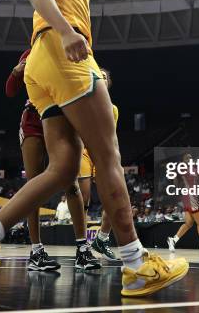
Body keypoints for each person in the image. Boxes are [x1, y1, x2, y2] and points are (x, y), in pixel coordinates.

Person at [0, 0, 188, 299]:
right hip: (62, 53)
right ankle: (135, 264)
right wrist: (66, 31)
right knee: (108, 156)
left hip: (42, 68)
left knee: (61, 170)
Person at [6, 50, 96, 271]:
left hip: (62, 116)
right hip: (34, 118)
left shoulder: (67, 44)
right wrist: (16, 72)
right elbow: (10, 90)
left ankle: (82, 250)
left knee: (71, 184)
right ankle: (36, 251)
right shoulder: (29, 52)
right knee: (34, 186)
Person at [78, 68, 118, 261]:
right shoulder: (80, 103)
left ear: (108, 82)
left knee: (113, 197)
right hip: (84, 152)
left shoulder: (114, 109)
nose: (101, 79)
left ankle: (101, 239)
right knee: (83, 199)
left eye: (104, 77)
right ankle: (82, 246)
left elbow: (111, 138)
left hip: (102, 155)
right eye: (97, 77)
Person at [167, 153, 199, 252]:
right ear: (183, 160)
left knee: (189, 223)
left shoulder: (194, 169)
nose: (190, 159)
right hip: (189, 197)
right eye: (187, 158)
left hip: (193, 196)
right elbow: (176, 182)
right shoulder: (182, 169)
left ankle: (173, 240)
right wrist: (175, 177)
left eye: (191, 157)